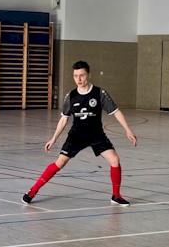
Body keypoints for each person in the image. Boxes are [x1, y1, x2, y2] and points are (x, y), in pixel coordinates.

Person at [22, 60, 137, 207]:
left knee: (114, 160)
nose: (79, 79)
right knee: (60, 163)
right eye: (76, 76)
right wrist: (53, 138)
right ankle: (32, 191)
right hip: (76, 135)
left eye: (82, 75)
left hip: (96, 135)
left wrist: (128, 130)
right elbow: (63, 119)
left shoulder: (99, 93)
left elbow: (116, 112)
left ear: (89, 75)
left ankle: (116, 195)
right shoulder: (71, 96)